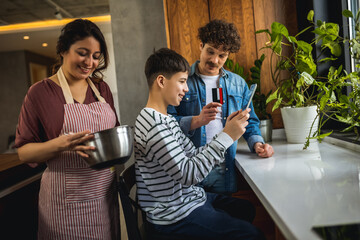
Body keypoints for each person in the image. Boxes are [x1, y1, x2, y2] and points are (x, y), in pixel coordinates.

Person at [134, 48, 265, 240]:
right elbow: (189, 175)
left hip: (189, 199)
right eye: (181, 81)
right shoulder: (154, 125)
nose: (186, 88)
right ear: (161, 81)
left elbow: (193, 154)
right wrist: (227, 137)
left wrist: (225, 132)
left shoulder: (166, 119)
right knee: (252, 234)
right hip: (174, 216)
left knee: (245, 209)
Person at [14, 19, 120, 239]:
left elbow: (113, 135)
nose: (89, 62)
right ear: (63, 50)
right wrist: (60, 145)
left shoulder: (101, 89)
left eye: (96, 56)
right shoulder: (40, 93)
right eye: (82, 53)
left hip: (104, 196)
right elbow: (24, 152)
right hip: (64, 206)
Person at [168, 19, 274, 194]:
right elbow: (168, 122)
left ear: (228, 55)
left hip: (224, 166)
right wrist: (195, 120)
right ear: (201, 45)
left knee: (224, 214)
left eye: (222, 55)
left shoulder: (239, 84)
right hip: (191, 165)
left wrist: (258, 144)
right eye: (210, 51)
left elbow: (250, 122)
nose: (214, 60)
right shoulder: (181, 80)